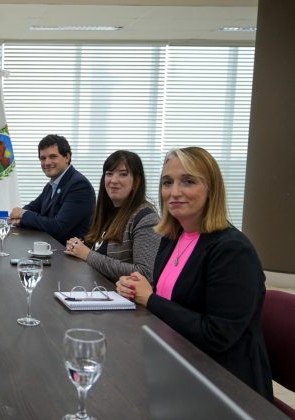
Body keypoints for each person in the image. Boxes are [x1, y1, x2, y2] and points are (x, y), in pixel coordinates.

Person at [116, 147, 273, 400]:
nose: (174, 192)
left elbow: (216, 335)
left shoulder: (233, 250)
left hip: (225, 387)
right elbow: (176, 298)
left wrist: (151, 299)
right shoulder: (172, 237)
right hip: (174, 363)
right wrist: (142, 287)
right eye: (167, 182)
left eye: (188, 181)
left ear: (211, 189)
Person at [64, 150, 161, 281]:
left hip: (121, 298)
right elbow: (99, 251)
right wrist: (78, 246)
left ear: (137, 181)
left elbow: (144, 273)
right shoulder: (108, 211)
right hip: (96, 287)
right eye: (109, 174)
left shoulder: (146, 219)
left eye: (123, 174)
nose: (114, 180)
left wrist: (87, 254)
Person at [10, 134, 95, 245]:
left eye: (53, 156)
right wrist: (20, 215)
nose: (47, 162)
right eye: (43, 158)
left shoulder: (79, 185)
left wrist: (22, 214)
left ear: (67, 157)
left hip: (69, 258)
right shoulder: (52, 184)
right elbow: (33, 207)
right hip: (49, 249)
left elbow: (57, 227)